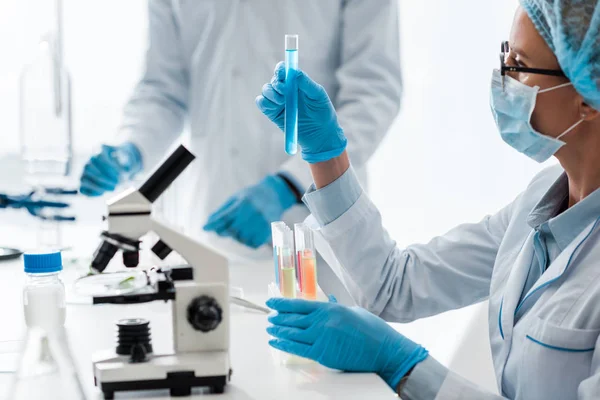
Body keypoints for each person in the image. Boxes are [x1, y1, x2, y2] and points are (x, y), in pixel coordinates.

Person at [257, 1, 600, 399]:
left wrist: (404, 365)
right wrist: (326, 154)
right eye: (506, 54)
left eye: (519, 65)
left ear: (588, 99)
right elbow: (394, 286)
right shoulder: (540, 204)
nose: (503, 78)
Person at [79, 0, 402, 256]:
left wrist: (291, 183)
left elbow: (372, 94)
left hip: (319, 234)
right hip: (214, 219)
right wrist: (133, 147)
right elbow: (164, 89)